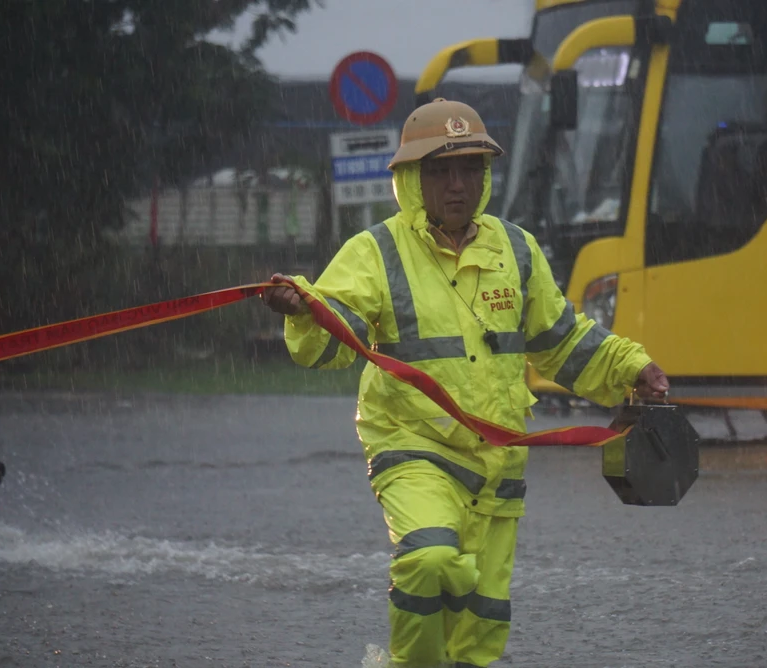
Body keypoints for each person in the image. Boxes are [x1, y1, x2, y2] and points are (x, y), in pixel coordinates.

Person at [261, 98, 669, 668]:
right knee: (429, 559)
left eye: (469, 168)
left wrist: (631, 368)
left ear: (484, 176)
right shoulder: (375, 251)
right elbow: (332, 338)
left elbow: (560, 339)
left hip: (498, 464)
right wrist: (303, 310)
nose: (457, 183)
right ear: (410, 178)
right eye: (440, 170)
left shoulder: (517, 248)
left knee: (479, 630)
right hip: (414, 448)